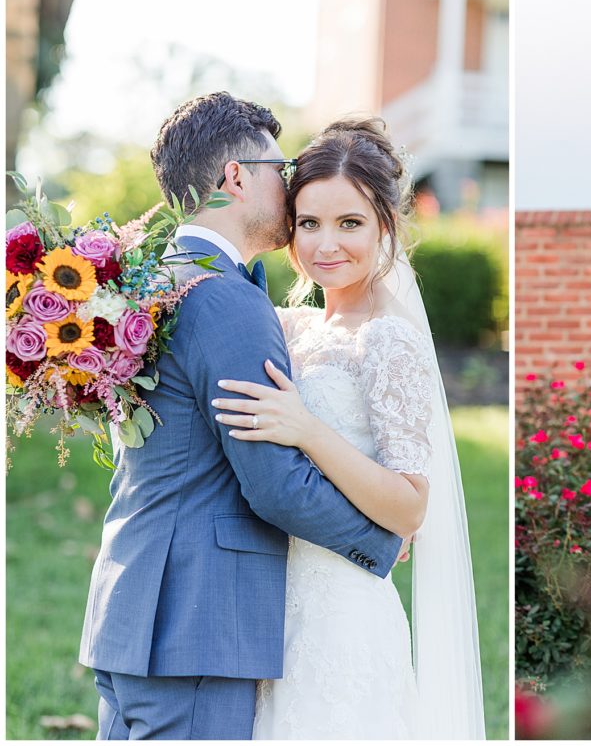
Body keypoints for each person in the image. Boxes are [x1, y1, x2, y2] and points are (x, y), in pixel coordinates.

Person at [79, 93, 403, 740]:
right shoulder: (225, 298)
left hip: (135, 603)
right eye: (278, 169)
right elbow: (274, 481)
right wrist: (383, 541)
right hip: (195, 621)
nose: (288, 187)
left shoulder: (153, 279)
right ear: (236, 176)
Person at [210, 118, 485, 738]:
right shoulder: (290, 327)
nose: (325, 244)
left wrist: (308, 429)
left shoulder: (389, 341)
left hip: (343, 609)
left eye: (350, 223)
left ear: (386, 225)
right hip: (270, 595)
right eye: (308, 223)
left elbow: (411, 508)